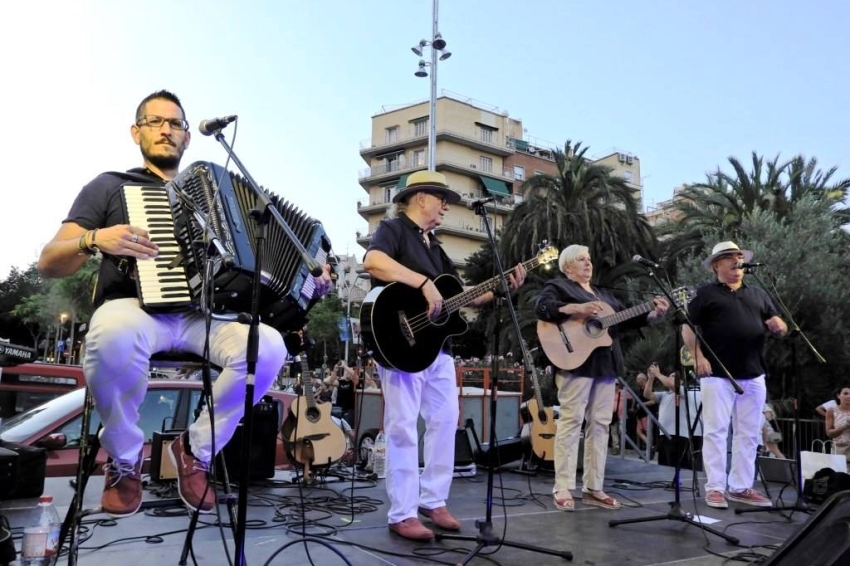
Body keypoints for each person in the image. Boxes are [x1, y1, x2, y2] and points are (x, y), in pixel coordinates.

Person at [37, 90, 332, 518]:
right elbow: (49, 262)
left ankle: (196, 449)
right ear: (136, 131)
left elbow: (267, 270)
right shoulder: (111, 186)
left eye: (175, 124)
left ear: (188, 137)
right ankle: (124, 458)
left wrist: (308, 283)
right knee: (111, 332)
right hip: (137, 310)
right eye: (154, 122)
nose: (165, 130)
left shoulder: (219, 196)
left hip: (206, 317)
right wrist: (95, 238)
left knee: (268, 347)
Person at [362, 170, 526, 541]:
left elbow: (463, 294)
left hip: (437, 348)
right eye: (442, 198)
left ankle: (433, 499)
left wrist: (501, 289)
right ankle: (402, 512)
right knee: (402, 425)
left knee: (446, 418)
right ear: (420, 197)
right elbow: (373, 261)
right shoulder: (394, 229)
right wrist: (422, 283)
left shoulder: (435, 247)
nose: (446, 205)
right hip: (399, 342)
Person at [535, 244, 668, 512]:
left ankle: (594, 487)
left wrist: (653, 313)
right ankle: (562, 487)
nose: (588, 263)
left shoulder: (604, 294)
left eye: (589, 258)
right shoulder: (558, 286)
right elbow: (542, 307)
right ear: (567, 266)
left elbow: (627, 320)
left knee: (601, 426)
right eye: (581, 259)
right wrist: (575, 308)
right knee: (571, 424)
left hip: (606, 366)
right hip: (575, 364)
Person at [682, 241, 788, 509]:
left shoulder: (758, 294)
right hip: (718, 374)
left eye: (739, 257)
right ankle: (716, 488)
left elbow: (780, 323)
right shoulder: (705, 294)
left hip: (753, 373)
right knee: (716, 431)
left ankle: (741, 487)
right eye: (729, 258)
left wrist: (780, 325)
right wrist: (698, 357)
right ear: (716, 265)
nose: (736, 262)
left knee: (749, 432)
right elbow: (686, 328)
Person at [643, 364, 703, 470]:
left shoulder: (684, 392)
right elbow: (647, 394)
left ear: (681, 381)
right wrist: (651, 378)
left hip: (679, 436)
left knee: (678, 466)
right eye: (670, 376)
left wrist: (658, 374)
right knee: (664, 465)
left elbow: (673, 385)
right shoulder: (664, 395)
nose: (670, 378)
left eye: (674, 376)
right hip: (664, 435)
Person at [825, 386, 850, 462]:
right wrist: (845, 426)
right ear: (838, 395)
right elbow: (829, 433)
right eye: (845, 393)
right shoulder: (831, 411)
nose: (849, 396)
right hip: (840, 451)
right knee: (840, 473)